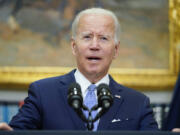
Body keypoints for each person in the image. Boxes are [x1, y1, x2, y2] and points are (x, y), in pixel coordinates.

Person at [0, 7, 158, 131]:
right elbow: (17, 131)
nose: (94, 46)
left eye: (103, 38)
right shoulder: (42, 93)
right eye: (87, 37)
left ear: (116, 50)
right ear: (74, 46)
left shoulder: (137, 102)